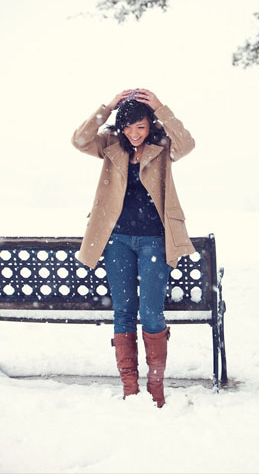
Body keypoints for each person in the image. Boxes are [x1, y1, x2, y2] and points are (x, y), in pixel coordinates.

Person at [72, 88, 196, 407]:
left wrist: (161, 107)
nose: (134, 133)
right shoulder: (111, 146)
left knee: (151, 311)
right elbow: (80, 139)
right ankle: (129, 385)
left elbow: (188, 143)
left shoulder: (163, 146)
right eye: (128, 127)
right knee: (124, 311)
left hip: (156, 239)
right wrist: (108, 106)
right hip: (118, 240)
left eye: (140, 126)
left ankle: (155, 386)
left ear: (149, 125)